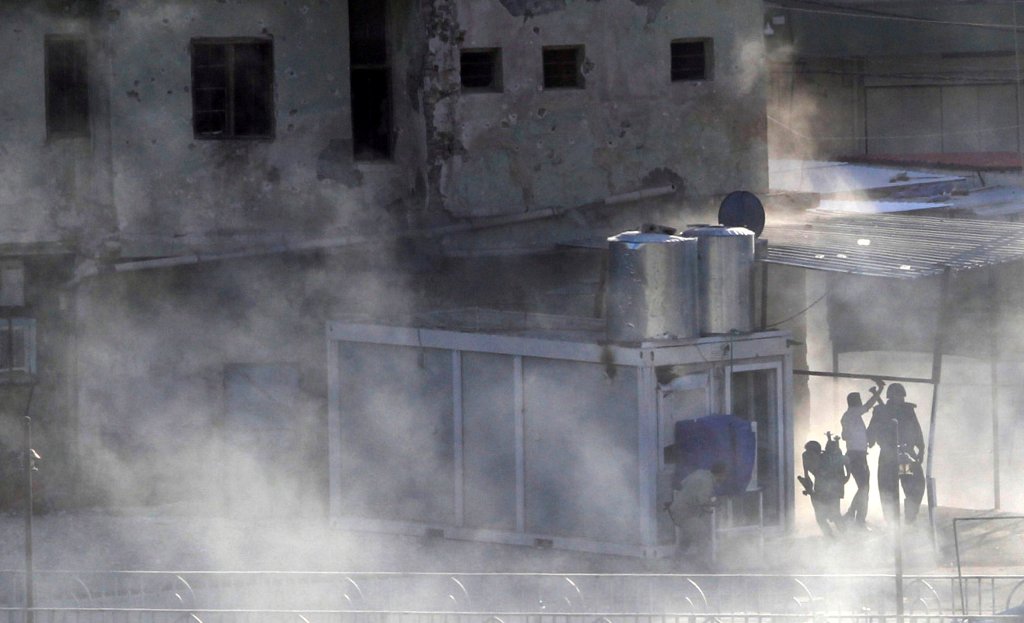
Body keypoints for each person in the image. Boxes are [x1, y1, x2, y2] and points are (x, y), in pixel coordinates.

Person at [867, 383, 926, 524]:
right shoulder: (880, 411)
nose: (901, 399)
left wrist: (921, 449)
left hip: (904, 457)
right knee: (888, 490)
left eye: (902, 396)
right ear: (891, 396)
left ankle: (909, 517)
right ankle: (892, 524)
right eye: (898, 395)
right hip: (888, 458)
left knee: (914, 486)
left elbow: (916, 430)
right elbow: (871, 433)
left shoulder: (907, 411)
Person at [668, 462, 728, 571]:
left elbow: (683, 483)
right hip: (685, 513)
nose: (725, 478)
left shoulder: (700, 473)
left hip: (678, 509)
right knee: (702, 534)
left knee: (687, 538)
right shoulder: (707, 482)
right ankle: (704, 565)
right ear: (721, 474)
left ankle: (675, 564)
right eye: (725, 475)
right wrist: (716, 504)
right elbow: (703, 501)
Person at [841, 380, 885, 527]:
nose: (861, 404)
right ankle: (858, 520)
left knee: (863, 487)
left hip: (855, 454)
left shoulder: (849, 417)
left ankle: (852, 515)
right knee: (864, 487)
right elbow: (868, 406)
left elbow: (845, 435)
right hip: (856, 455)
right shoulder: (853, 414)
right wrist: (879, 390)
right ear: (855, 403)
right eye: (859, 401)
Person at [798, 435, 848, 538]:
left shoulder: (826, 459)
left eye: (811, 453)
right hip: (820, 489)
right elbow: (807, 475)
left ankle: (846, 536)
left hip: (833, 489)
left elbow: (844, 460)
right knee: (821, 517)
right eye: (807, 453)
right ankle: (830, 537)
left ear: (817, 452)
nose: (808, 455)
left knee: (835, 515)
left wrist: (847, 476)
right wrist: (808, 488)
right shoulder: (806, 457)